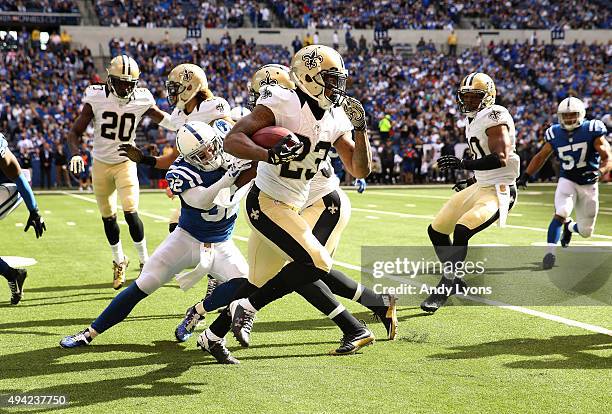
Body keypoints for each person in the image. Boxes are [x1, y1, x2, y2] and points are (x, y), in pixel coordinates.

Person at [222, 45, 374, 357]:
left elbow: (360, 169)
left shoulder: (334, 116)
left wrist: (361, 131)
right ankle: (248, 307)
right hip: (265, 201)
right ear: (308, 76)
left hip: (293, 205)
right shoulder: (285, 102)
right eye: (330, 80)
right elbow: (233, 140)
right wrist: (267, 154)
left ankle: (212, 336)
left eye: (339, 80)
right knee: (316, 263)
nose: (337, 87)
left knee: (259, 276)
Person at [59, 121, 252, 351]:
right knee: (143, 285)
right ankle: (89, 333)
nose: (209, 154)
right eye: (201, 154)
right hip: (186, 239)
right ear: (190, 157)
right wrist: (229, 177)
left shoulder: (230, 147)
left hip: (221, 242)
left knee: (246, 284)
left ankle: (198, 311)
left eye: (210, 147)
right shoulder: (180, 171)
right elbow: (201, 201)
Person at [67, 55, 177, 289]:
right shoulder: (96, 97)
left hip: (126, 162)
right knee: (108, 217)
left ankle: (146, 262)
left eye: (131, 83)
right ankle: (119, 260)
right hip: (100, 164)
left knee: (131, 211)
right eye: (122, 82)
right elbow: (74, 132)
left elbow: (165, 120)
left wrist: (189, 123)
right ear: (110, 80)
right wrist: (76, 152)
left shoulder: (141, 98)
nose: (127, 87)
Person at [421, 72, 520, 313]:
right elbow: (482, 156)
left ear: (488, 97)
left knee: (463, 229)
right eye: (465, 97)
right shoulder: (475, 118)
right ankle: (454, 278)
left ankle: (445, 285)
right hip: (480, 185)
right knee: (436, 230)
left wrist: (463, 164)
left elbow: (501, 158)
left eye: (475, 97)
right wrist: (470, 179)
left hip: (499, 189)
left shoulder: (495, 115)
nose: (469, 102)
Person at [517, 97, 610, 269]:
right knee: (561, 212)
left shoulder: (592, 129)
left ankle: (569, 227)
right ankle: (550, 253)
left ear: (581, 114)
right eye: (565, 116)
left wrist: (600, 172)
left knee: (586, 232)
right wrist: (526, 175)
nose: (569, 119)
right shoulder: (555, 132)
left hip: (589, 183)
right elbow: (541, 156)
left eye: (572, 115)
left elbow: (607, 158)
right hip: (567, 179)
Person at [0, 133, 46, 305]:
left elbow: (17, 174)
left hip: (7, 190)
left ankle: (12, 274)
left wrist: (34, 211)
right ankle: (13, 274)